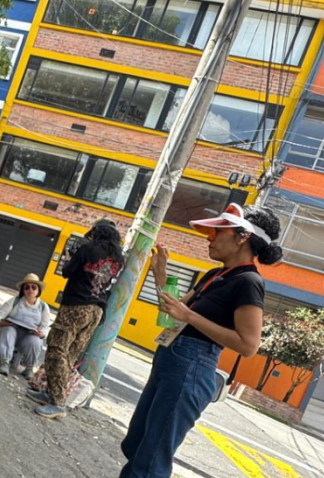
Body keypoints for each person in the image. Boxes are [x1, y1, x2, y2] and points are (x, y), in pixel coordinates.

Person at [119, 204, 280, 477]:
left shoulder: (249, 281)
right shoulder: (215, 274)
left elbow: (248, 345)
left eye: (219, 232)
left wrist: (191, 317)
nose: (210, 238)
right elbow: (172, 314)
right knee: (136, 445)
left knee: (151, 461)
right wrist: (160, 274)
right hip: (171, 361)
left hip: (192, 366)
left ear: (242, 236)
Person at [31, 220, 125, 419]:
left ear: (96, 232)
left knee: (57, 349)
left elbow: (67, 271)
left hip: (76, 306)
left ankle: (58, 403)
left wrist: (69, 258)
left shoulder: (87, 249)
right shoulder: (118, 258)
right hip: (96, 310)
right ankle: (50, 394)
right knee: (70, 354)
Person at [0, 273, 51, 379]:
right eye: (27, 287)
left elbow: (45, 327)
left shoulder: (43, 307)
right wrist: (1, 322)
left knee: (36, 341)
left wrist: (41, 334)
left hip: (26, 337)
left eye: (34, 287)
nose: (30, 290)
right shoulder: (15, 301)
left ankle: (29, 368)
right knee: (10, 330)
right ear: (23, 290)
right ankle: (4, 363)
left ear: (38, 290)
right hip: (5, 331)